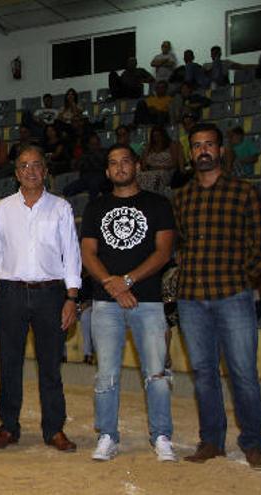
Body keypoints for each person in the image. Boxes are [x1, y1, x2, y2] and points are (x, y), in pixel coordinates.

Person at [173, 123, 261, 470]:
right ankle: (212, 441)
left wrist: (246, 277)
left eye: (209, 145)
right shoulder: (183, 196)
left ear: (220, 151)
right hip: (191, 298)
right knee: (203, 374)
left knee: (243, 373)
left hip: (233, 296)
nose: (203, 150)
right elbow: (180, 245)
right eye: (197, 145)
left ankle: (253, 444)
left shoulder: (244, 192)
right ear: (191, 153)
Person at [80, 144, 177, 462]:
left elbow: (163, 252)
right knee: (106, 375)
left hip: (147, 301)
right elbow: (88, 254)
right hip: (106, 304)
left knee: (156, 374)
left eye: (125, 161)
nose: (120, 168)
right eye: (113, 163)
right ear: (107, 172)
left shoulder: (158, 204)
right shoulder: (96, 207)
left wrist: (129, 281)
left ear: (137, 166)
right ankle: (107, 435)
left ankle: (161, 436)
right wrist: (114, 285)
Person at [0, 145, 80, 453]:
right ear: (16, 173)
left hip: (51, 294)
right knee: (9, 364)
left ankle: (54, 429)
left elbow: (72, 255)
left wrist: (71, 298)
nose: (31, 171)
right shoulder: (2, 209)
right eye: (24, 166)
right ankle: (8, 427)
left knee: (50, 366)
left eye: (37, 165)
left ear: (45, 171)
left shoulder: (61, 208)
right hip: (9, 294)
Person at [139, 125, 184, 193]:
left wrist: (159, 167)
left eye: (158, 135)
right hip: (150, 171)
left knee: (158, 176)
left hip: (166, 170)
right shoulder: (149, 147)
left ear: (163, 135)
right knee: (140, 176)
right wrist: (147, 169)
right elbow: (143, 163)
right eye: (154, 136)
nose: (156, 138)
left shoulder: (171, 145)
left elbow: (175, 163)